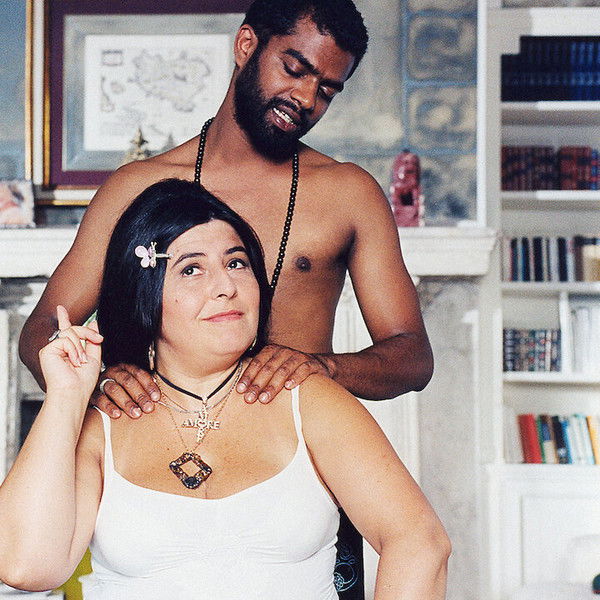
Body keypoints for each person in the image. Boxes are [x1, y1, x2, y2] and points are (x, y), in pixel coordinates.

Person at [18, 1, 434, 597]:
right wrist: (98, 382)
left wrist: (319, 368)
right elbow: (43, 329)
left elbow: (413, 356)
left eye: (327, 90)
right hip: (151, 456)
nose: (306, 97)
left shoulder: (347, 193)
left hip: (302, 478)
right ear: (246, 46)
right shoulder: (138, 189)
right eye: (294, 68)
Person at [1, 180, 450, 599]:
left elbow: (419, 543)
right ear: (144, 292)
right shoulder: (102, 422)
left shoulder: (310, 400)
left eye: (236, 263)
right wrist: (66, 397)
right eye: (191, 269)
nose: (226, 287)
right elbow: (26, 566)